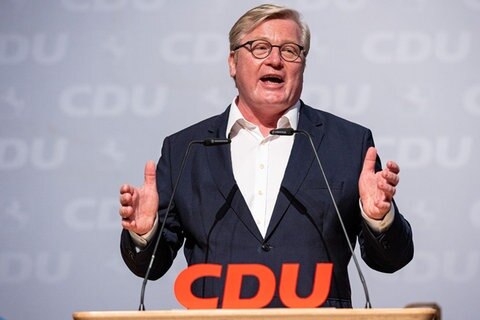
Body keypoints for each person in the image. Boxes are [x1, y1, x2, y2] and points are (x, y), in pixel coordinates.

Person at [119, 3, 413, 308]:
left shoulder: (349, 144)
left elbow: (392, 260)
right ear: (232, 62)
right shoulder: (185, 149)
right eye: (259, 47)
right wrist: (144, 233)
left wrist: (379, 218)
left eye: (290, 50)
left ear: (303, 64)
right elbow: (151, 267)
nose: (275, 60)